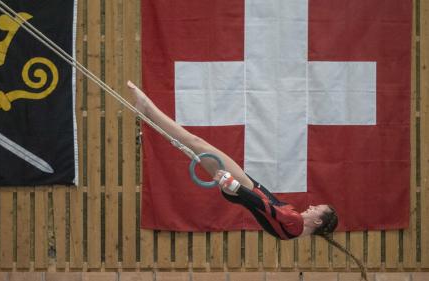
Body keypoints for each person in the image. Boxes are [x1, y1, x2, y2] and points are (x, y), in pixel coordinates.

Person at [127, 80, 367, 280]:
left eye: (317, 209)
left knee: (196, 142)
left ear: (317, 222)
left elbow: (263, 205)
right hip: (241, 191)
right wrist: (236, 190)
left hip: (244, 187)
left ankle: (147, 107)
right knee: (194, 146)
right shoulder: (294, 230)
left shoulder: (294, 222)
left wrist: (235, 186)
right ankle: (147, 112)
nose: (313, 206)